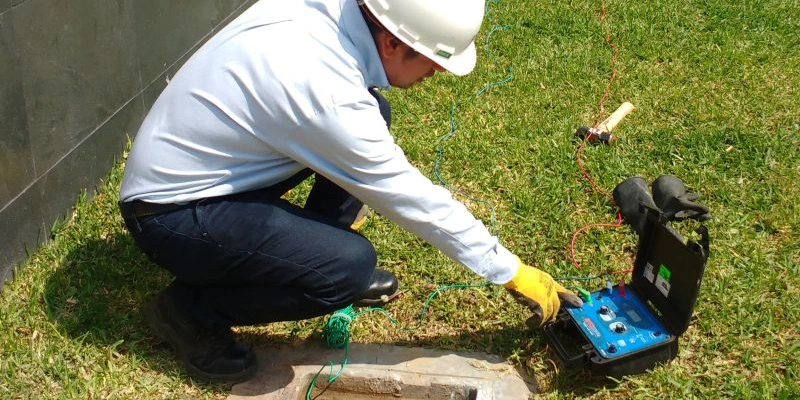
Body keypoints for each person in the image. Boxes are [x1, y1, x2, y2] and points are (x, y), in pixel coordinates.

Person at [119, 0, 581, 384]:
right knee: (347, 269)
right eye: (434, 62)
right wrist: (511, 271)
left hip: (209, 170)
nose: (437, 73)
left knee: (374, 112)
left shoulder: (333, 15)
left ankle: (305, 259)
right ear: (392, 41)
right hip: (169, 215)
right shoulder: (325, 91)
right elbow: (408, 196)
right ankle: (190, 312)